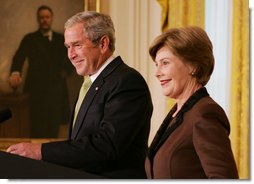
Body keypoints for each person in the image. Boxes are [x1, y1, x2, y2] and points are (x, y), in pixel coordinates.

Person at [7, 11, 153, 179]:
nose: (70, 55)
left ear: (103, 44)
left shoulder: (127, 82)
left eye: (77, 45)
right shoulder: (91, 82)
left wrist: (41, 151)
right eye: (68, 47)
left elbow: (107, 145)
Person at [145, 26, 239, 179]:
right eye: (157, 64)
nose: (157, 73)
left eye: (165, 63)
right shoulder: (178, 114)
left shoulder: (205, 114)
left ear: (193, 66)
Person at [9, 5, 73, 138]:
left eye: (47, 17)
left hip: (56, 91)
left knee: (53, 129)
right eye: (41, 17)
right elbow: (19, 57)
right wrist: (15, 72)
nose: (44, 20)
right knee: (36, 129)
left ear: (51, 18)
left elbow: (71, 57)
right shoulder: (29, 39)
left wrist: (66, 71)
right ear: (38, 20)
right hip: (35, 91)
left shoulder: (61, 39)